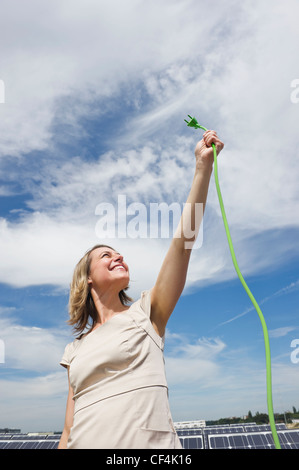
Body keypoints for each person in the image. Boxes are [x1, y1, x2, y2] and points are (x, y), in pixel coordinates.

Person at [58, 130, 224, 449]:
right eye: (106, 254)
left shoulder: (147, 313)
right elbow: (68, 429)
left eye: (119, 252)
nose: (118, 255)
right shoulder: (74, 351)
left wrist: (202, 169)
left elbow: (183, 243)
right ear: (87, 278)